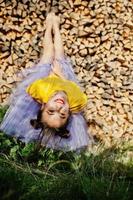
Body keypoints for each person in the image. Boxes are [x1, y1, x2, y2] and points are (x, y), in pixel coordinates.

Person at [0, 13, 92, 152]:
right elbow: (72, 87)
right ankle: (56, 27)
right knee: (60, 54)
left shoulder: (41, 90)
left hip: (47, 77)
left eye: (51, 110)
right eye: (62, 114)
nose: (59, 108)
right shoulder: (76, 101)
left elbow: (39, 83)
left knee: (48, 53)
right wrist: (60, 73)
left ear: (42, 106)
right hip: (63, 78)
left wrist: (51, 71)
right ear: (69, 115)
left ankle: (49, 28)